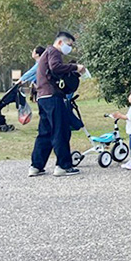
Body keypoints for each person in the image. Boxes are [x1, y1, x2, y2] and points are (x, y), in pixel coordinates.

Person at [28, 31, 85, 177]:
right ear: (60, 42)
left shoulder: (45, 54)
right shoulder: (54, 51)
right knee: (60, 131)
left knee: (45, 132)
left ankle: (36, 165)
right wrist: (75, 67)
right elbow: (55, 67)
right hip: (53, 97)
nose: (69, 48)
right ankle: (63, 166)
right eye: (69, 45)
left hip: (42, 97)